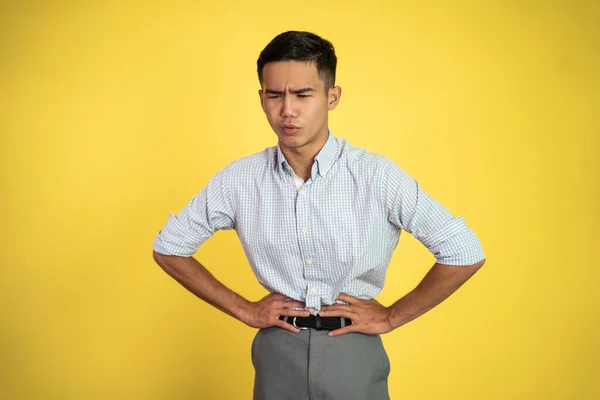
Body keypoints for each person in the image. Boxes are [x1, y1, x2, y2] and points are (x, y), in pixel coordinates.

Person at [152, 30, 486, 400]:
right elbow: (170, 247)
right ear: (262, 99)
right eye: (275, 95)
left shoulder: (376, 175)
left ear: (332, 97)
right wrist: (244, 309)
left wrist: (391, 316)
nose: (287, 110)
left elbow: (463, 251)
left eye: (303, 94)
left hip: (353, 351)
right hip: (278, 350)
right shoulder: (240, 179)